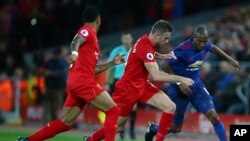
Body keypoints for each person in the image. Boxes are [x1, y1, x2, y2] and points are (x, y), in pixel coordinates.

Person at [17, 6, 125, 141]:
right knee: (113, 110)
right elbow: (76, 41)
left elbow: (93, 70)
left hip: (76, 82)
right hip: (83, 81)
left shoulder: (91, 40)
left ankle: (27, 140)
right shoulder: (88, 31)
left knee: (64, 123)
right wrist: (74, 53)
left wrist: (112, 63)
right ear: (98, 20)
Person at [83, 19, 194, 141]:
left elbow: (143, 53)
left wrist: (160, 56)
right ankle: (90, 140)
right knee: (118, 126)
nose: (167, 42)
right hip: (127, 90)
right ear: (157, 35)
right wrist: (181, 79)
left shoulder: (145, 39)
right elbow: (156, 75)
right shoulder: (145, 46)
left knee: (170, 107)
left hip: (142, 86)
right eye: (166, 38)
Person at [144, 25, 240, 141]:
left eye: (205, 42)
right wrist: (179, 82)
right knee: (176, 128)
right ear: (193, 38)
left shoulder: (205, 44)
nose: (202, 45)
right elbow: (164, 66)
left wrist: (230, 59)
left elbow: (213, 47)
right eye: (199, 41)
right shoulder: (182, 49)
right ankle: (154, 129)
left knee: (213, 116)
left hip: (196, 87)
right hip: (179, 90)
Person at [108, 32, 137, 140]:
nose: (127, 40)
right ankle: (121, 131)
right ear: (122, 39)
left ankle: (132, 131)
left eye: (128, 38)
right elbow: (110, 67)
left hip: (132, 82)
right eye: (125, 38)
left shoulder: (135, 49)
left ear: (131, 39)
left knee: (133, 107)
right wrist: (107, 83)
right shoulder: (117, 50)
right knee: (119, 108)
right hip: (117, 81)